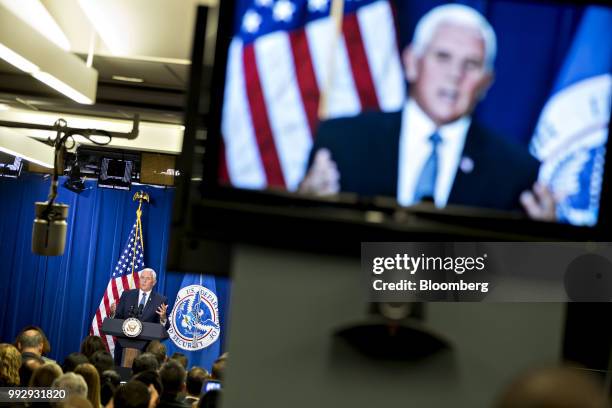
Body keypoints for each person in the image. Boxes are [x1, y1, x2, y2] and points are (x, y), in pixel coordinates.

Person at [299, 4, 555, 220]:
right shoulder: (342, 141)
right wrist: (305, 210)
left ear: (486, 83)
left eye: (471, 64)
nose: (455, 74)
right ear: (411, 63)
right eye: (443, 57)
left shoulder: (515, 170)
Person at [110, 268, 169, 364]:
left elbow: (164, 327)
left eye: (148, 278)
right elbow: (118, 318)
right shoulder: (127, 295)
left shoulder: (160, 300)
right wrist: (113, 314)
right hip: (123, 347)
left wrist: (163, 318)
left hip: (146, 350)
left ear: (154, 282)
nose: (144, 280)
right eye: (142, 277)